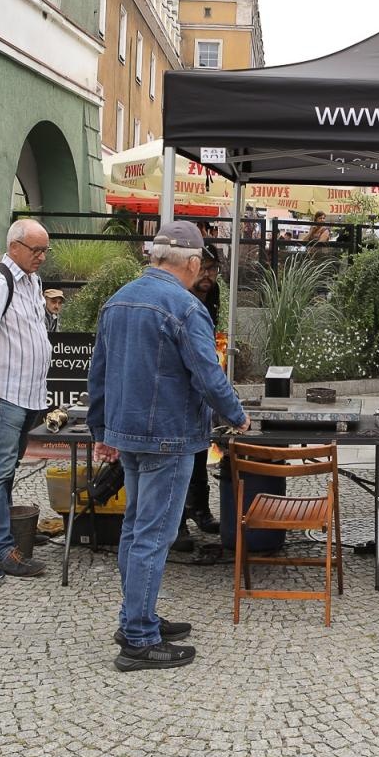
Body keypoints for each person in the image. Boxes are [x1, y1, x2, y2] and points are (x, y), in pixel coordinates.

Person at [88, 221, 249, 672]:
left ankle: (135, 619)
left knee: (136, 528)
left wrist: (101, 431)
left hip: (128, 433)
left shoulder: (117, 300)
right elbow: (208, 375)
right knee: (153, 535)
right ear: (193, 263)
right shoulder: (186, 307)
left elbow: (98, 373)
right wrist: (236, 414)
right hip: (169, 435)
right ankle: (139, 638)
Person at [0, 218, 53, 578]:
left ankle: (8, 536)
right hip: (7, 394)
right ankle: (1, 549)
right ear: (14, 247)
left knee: (7, 467)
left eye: (45, 250)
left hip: (29, 394)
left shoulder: (32, 280)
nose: (42, 257)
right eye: (37, 250)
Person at [181, 255, 224, 538]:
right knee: (180, 456)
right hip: (179, 387)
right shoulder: (181, 296)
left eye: (213, 269)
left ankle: (199, 509)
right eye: (203, 268)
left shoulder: (213, 294)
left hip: (200, 386)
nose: (208, 275)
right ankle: (178, 521)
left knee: (200, 449)